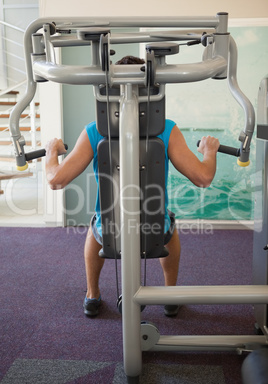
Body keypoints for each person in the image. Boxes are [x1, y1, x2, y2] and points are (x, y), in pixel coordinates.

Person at [45, 56, 220, 318]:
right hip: (154, 230)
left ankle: (92, 295)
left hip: (110, 232)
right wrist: (210, 151)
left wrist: (51, 151)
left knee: (97, 225)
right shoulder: (167, 130)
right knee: (169, 225)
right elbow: (204, 177)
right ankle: (170, 295)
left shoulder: (94, 131)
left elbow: (55, 179)